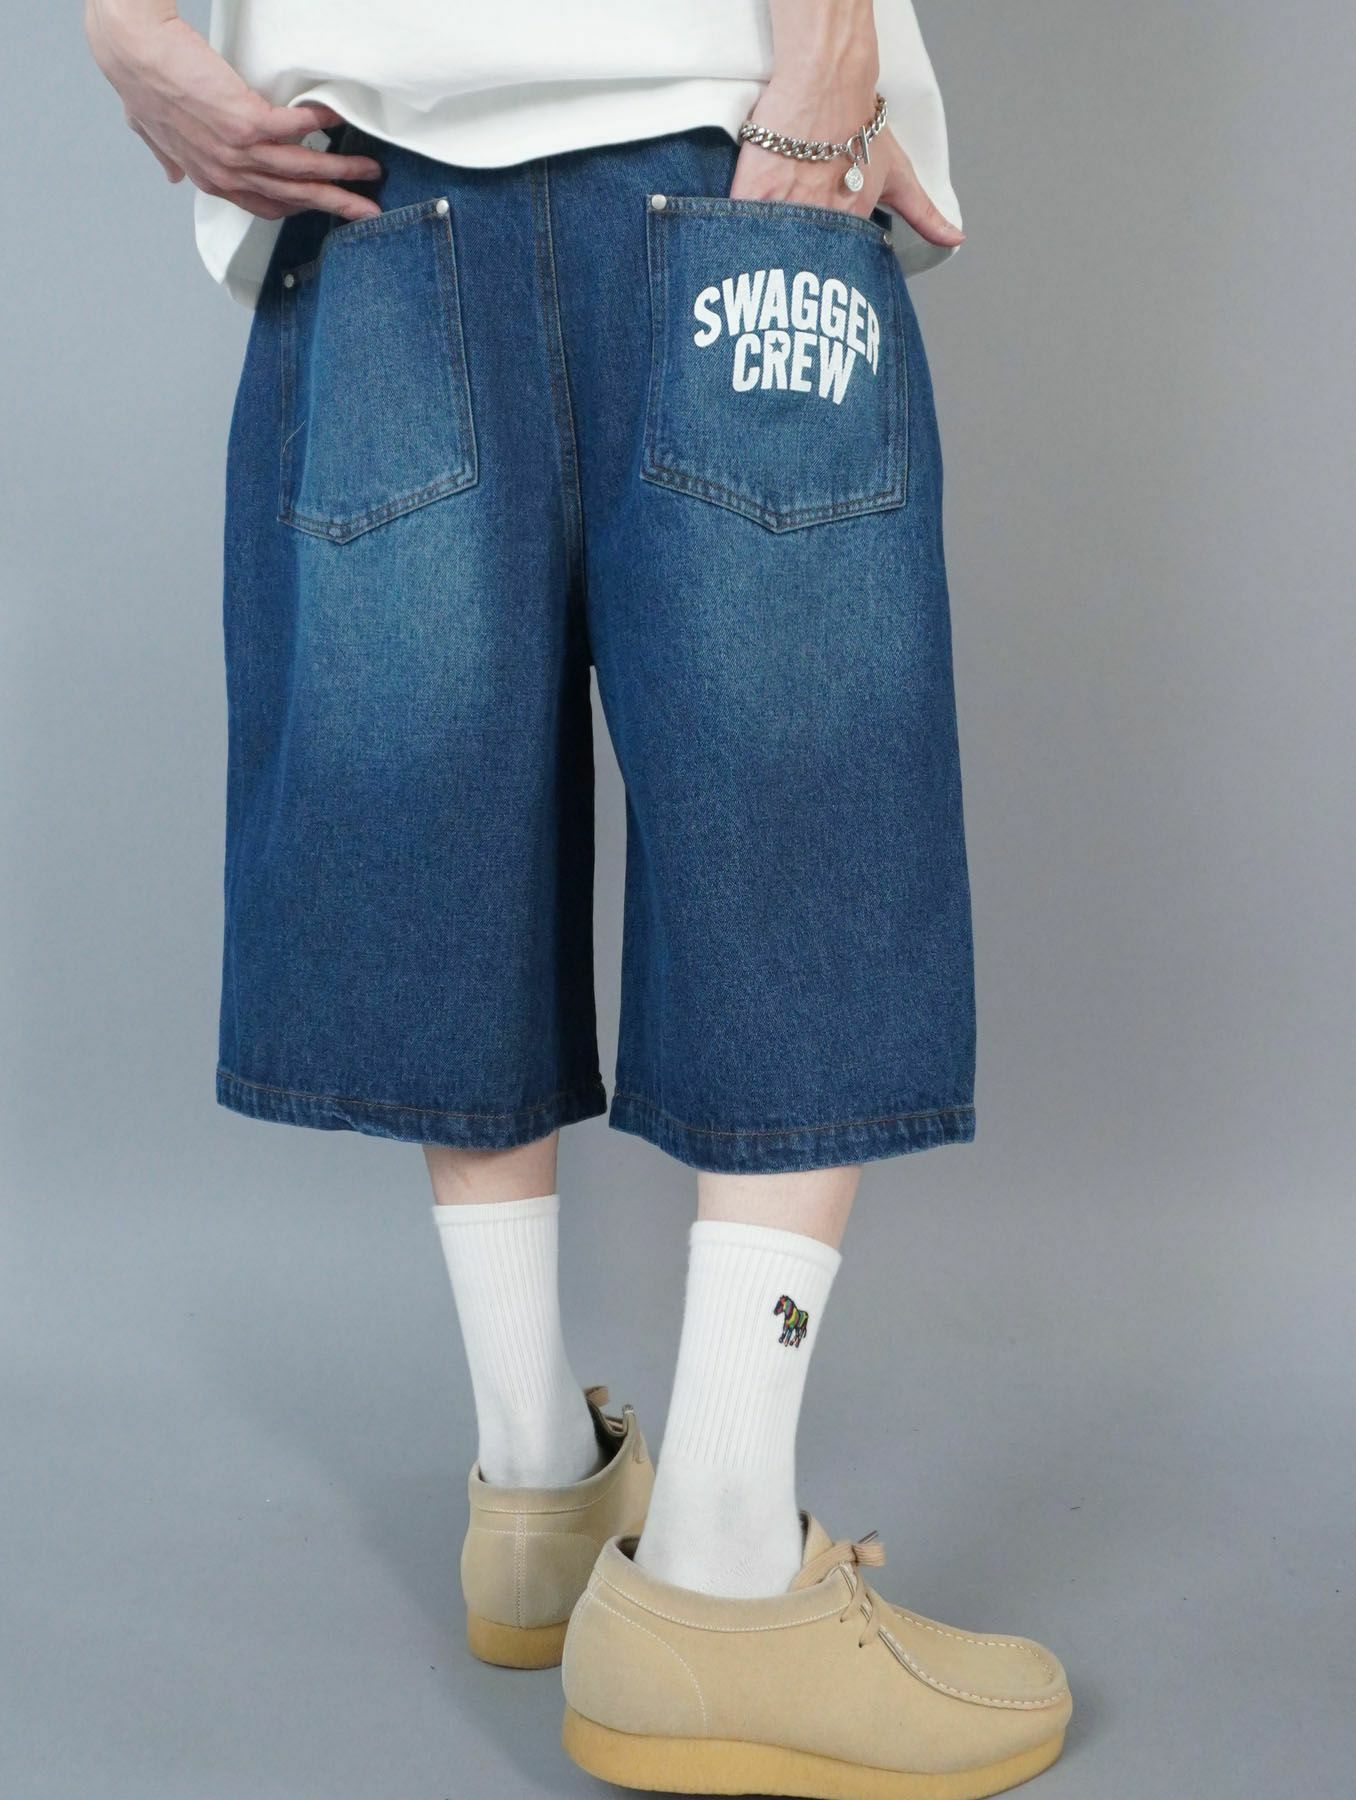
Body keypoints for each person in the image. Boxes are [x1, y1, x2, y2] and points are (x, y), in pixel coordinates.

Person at [86, 1, 1072, 1792]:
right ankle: (720, 1570)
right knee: (798, 829)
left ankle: (537, 1491)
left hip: (373, 196)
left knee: (443, 819)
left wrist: (127, 30)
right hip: (714, 142)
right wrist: (828, 66)